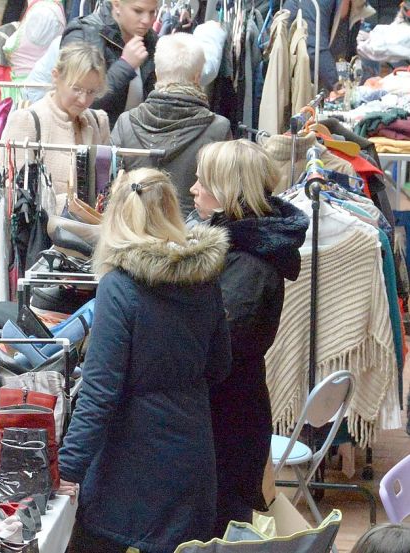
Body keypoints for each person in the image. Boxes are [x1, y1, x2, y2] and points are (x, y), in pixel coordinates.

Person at [59, 168, 232, 553]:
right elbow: (220, 366)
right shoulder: (205, 280)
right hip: (192, 455)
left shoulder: (119, 288)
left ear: (118, 218)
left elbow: (99, 393)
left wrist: (67, 468)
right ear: (173, 211)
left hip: (131, 468)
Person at [190, 140, 309, 537]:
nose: (193, 189)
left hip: (228, 423)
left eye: (201, 182)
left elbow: (221, 349)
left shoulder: (251, 263)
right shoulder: (242, 246)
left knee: (219, 528)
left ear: (226, 192)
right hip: (232, 412)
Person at [111, 32, 231, 216]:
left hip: (133, 232)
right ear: (197, 77)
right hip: (194, 237)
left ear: (157, 74)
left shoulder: (125, 123)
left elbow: (110, 189)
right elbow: (225, 195)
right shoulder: (218, 128)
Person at [1, 42, 110, 206]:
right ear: (56, 76)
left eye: (91, 92)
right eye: (76, 89)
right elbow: (15, 194)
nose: (83, 99)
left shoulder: (98, 122)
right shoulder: (27, 121)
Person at [62, 0, 158, 126]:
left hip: (135, 138)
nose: (146, 20)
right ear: (116, 4)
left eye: (152, 12)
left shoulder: (150, 40)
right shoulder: (84, 33)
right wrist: (125, 66)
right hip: (89, 134)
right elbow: (75, 100)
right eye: (138, 11)